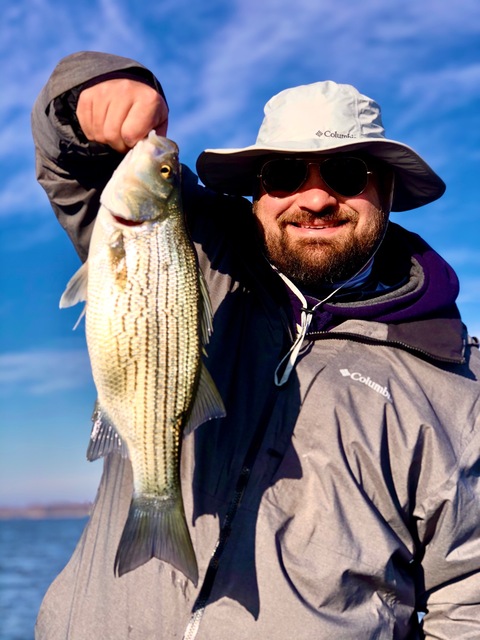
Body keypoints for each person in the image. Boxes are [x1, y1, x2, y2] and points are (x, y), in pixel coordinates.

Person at [32, 51, 480, 640]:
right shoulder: (191, 250)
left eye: (346, 176)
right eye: (286, 175)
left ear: (388, 190)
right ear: (256, 192)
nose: (315, 198)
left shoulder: (456, 388)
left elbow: (468, 606)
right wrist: (89, 94)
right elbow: (72, 166)